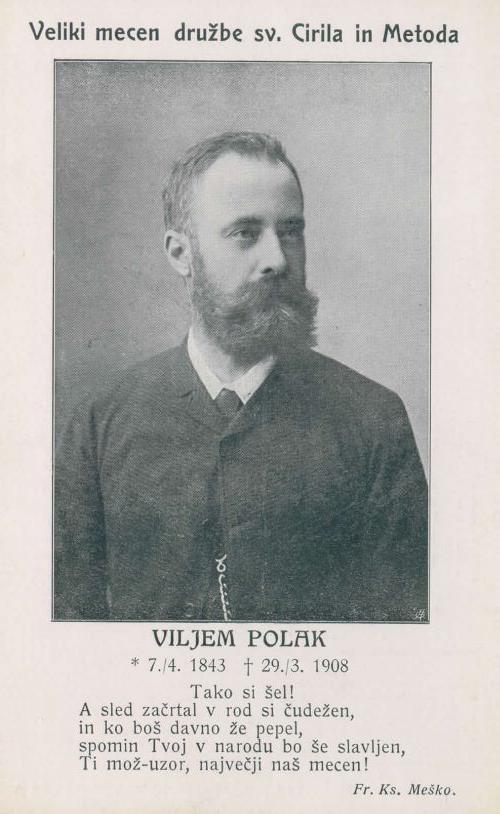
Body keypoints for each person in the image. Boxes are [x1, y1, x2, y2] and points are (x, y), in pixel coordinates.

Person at [54, 131, 428, 622]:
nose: (278, 259)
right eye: (245, 234)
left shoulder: (373, 420)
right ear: (180, 253)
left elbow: (404, 644)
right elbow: (66, 639)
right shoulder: (100, 423)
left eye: (290, 231)